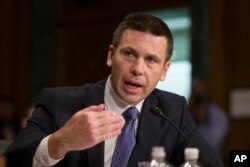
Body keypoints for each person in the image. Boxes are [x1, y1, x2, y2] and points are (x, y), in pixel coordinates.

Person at [3, 14, 223, 167]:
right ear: (111, 56)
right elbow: (13, 160)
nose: (137, 69)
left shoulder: (173, 110)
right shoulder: (59, 102)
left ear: (164, 70)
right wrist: (61, 142)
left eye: (151, 60)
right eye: (129, 54)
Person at [188, 79, 229, 158]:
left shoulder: (219, 116)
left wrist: (201, 120)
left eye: (201, 94)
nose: (199, 99)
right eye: (196, 95)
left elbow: (210, 144)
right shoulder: (188, 112)